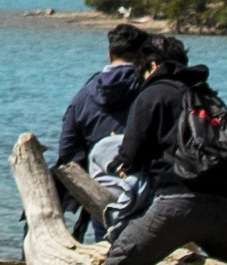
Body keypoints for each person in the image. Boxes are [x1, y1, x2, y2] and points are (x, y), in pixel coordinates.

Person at [86, 36, 227, 265]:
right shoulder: (209, 97)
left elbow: (131, 154)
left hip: (176, 207)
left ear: (151, 65)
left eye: (141, 71)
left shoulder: (153, 94)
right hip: (225, 211)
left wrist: (120, 164)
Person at [49, 20, 156, 238]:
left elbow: (67, 153)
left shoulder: (83, 96)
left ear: (110, 56)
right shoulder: (155, 90)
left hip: (102, 195)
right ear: (142, 57)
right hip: (150, 194)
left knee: (110, 258)